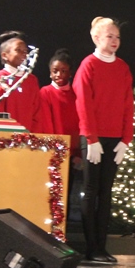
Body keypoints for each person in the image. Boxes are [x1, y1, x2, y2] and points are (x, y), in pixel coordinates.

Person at [72, 16, 134, 263]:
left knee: (106, 193)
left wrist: (126, 139)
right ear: (96, 38)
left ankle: (102, 247)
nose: (115, 40)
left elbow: (128, 104)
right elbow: (83, 102)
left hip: (115, 138)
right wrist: (91, 137)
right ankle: (92, 247)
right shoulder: (88, 65)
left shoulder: (123, 68)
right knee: (91, 190)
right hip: (95, 139)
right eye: (110, 36)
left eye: (117, 36)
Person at [39, 48, 81, 204]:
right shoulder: (45, 92)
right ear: (50, 72)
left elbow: (78, 125)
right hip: (53, 153)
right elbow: (46, 123)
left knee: (66, 196)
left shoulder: (76, 95)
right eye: (55, 71)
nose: (59, 75)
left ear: (70, 73)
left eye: (63, 71)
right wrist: (53, 150)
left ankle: (62, 229)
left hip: (71, 155)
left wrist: (78, 154)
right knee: (50, 195)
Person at [0, 31, 42, 132]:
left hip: (27, 137)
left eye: (25, 51)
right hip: (4, 135)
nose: (23, 54)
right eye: (18, 50)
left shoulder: (32, 80)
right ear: (4, 55)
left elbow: (37, 112)